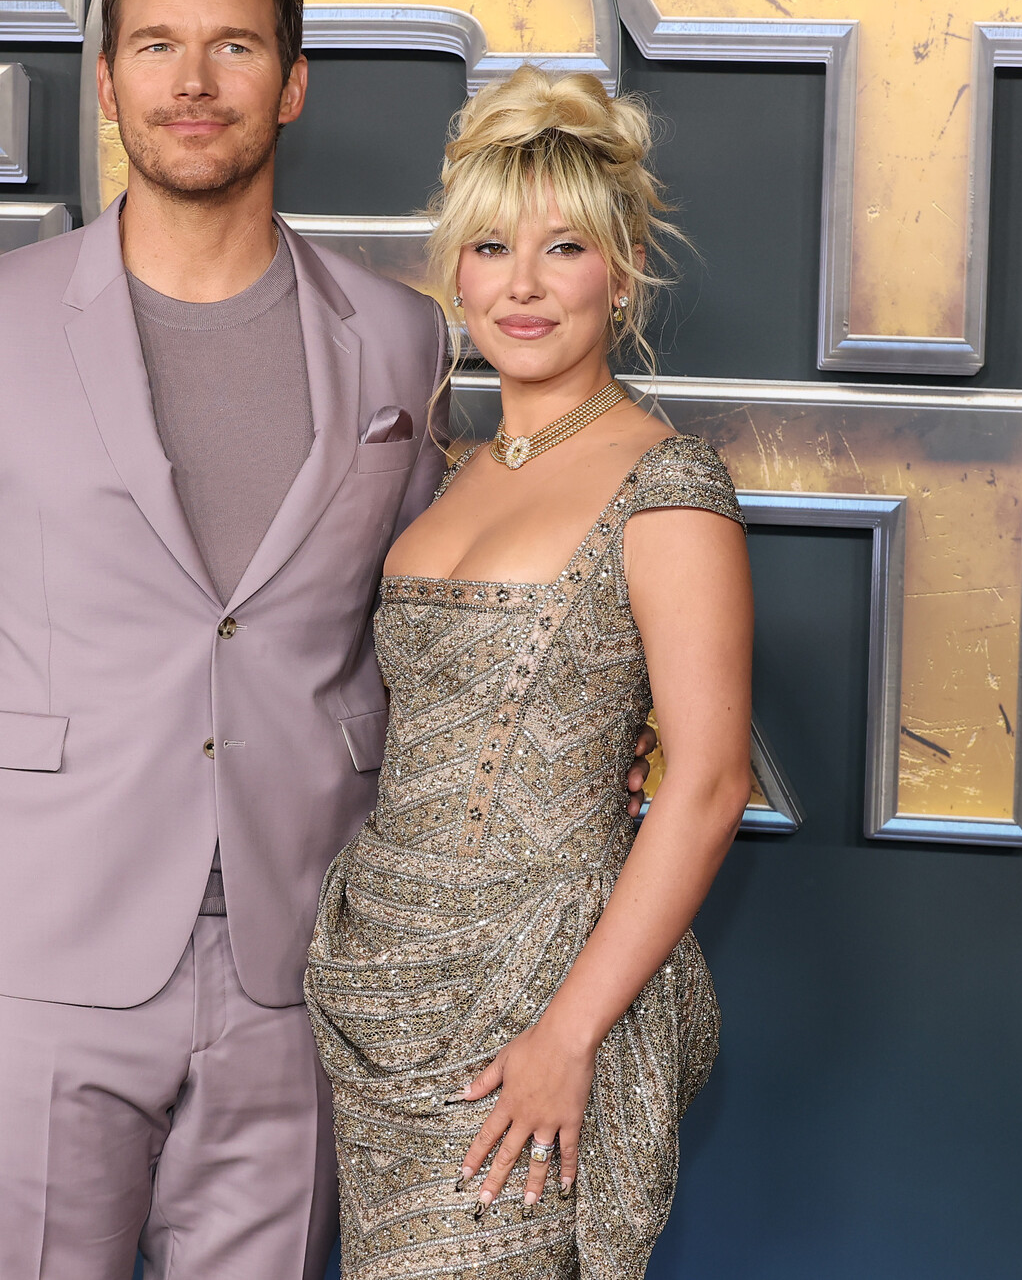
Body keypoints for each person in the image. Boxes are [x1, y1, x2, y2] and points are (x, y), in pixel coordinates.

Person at [0, 0, 652, 1280]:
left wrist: (585, 732)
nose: (193, 82)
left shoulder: (399, 339)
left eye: (235, 47)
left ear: (293, 82)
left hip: (308, 962)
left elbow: (424, 628)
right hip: (30, 963)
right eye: (156, 45)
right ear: (107, 82)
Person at [306, 66, 755, 1279]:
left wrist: (570, 1034)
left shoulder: (667, 485)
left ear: (624, 271)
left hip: (535, 1000)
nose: (522, 285)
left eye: (563, 249)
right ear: (455, 274)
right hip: (381, 983)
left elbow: (710, 784)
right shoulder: (447, 472)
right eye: (491, 247)